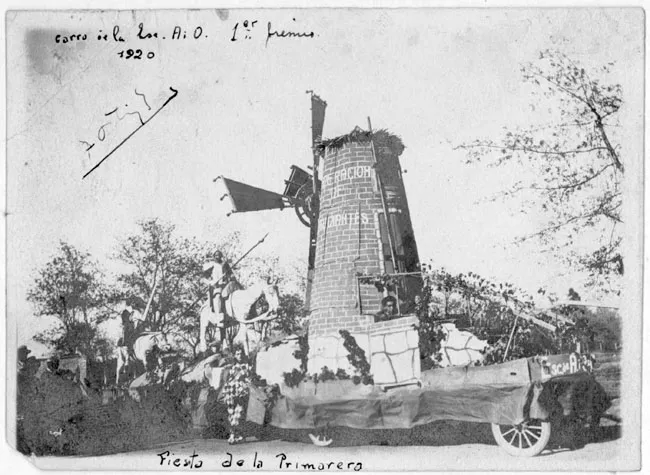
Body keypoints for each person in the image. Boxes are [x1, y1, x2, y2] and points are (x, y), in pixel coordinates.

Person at [222, 345, 251, 444]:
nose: (239, 355)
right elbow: (227, 379)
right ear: (234, 355)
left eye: (241, 353)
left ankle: (233, 435)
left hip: (241, 391)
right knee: (231, 413)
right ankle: (238, 435)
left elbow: (248, 378)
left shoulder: (247, 366)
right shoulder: (230, 366)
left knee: (238, 413)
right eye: (237, 354)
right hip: (230, 391)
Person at [203, 251, 240, 317]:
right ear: (214, 256)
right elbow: (203, 278)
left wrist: (234, 280)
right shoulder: (211, 265)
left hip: (226, 285)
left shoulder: (225, 264)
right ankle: (218, 314)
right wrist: (211, 282)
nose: (218, 257)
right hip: (216, 286)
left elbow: (231, 274)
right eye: (216, 255)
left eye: (219, 255)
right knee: (218, 295)